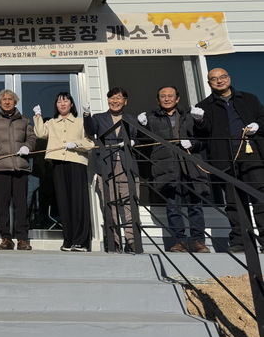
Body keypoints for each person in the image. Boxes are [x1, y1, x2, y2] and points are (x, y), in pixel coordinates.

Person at [194, 68, 264, 253]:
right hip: (225, 160)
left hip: (252, 156)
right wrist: (199, 122)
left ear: (229, 78)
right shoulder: (204, 106)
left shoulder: (249, 98)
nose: (219, 81)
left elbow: (263, 119)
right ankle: (242, 242)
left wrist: (258, 125)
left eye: (223, 77)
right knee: (234, 204)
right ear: (209, 83)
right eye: (214, 79)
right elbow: (202, 135)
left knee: (260, 199)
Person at [138, 86, 210, 253]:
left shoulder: (189, 116)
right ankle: (179, 241)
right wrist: (143, 126)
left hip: (191, 165)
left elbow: (204, 138)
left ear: (177, 99)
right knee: (173, 206)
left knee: (195, 205)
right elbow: (143, 141)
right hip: (166, 167)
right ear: (158, 100)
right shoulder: (152, 118)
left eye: (170, 96)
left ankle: (198, 241)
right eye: (163, 96)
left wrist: (194, 141)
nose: (167, 99)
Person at [33, 92, 94, 252]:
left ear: (71, 104)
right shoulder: (52, 122)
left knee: (78, 202)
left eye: (65, 101)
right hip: (58, 164)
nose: (62, 104)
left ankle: (81, 241)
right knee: (63, 203)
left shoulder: (80, 122)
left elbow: (90, 142)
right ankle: (68, 240)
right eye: (59, 101)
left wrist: (77, 144)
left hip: (77, 163)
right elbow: (40, 133)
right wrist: (38, 116)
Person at [0, 89, 36, 251]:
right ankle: (6, 238)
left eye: (10, 99)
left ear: (15, 101)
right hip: (0, 167)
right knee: (2, 205)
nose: (7, 101)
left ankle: (22, 239)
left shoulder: (24, 120)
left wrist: (27, 146)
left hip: (20, 167)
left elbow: (32, 138)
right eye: (4, 99)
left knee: (21, 205)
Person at [84, 87, 138, 253]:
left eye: (119, 98)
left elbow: (137, 135)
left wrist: (134, 139)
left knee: (130, 204)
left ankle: (132, 241)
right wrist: (86, 116)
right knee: (109, 205)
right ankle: (113, 242)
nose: (115, 101)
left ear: (125, 101)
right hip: (106, 167)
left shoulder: (131, 118)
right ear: (108, 100)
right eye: (112, 98)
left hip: (127, 166)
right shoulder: (99, 118)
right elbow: (90, 130)